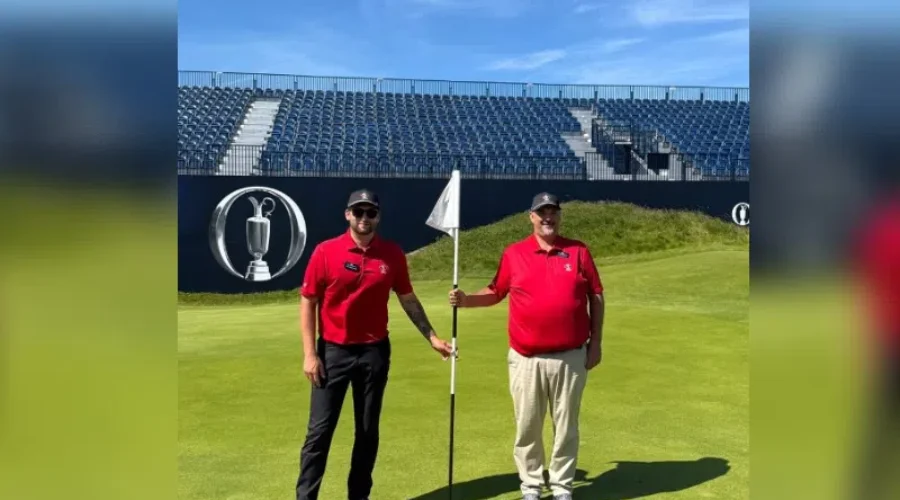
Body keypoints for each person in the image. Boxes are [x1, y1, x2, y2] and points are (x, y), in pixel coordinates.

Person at [295, 189, 454, 500]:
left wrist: (432, 336)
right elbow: (308, 299)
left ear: (378, 216)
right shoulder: (326, 251)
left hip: (374, 352)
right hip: (332, 352)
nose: (364, 218)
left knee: (367, 432)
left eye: (371, 213)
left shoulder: (392, 254)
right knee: (319, 433)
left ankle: (359, 496)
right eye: (359, 212)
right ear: (347, 215)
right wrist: (310, 354)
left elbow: (407, 297)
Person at [449, 192, 605, 500]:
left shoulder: (578, 251)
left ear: (560, 216)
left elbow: (596, 296)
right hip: (525, 358)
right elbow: (496, 291)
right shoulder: (514, 253)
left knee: (566, 427)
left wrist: (596, 342)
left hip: (570, 356)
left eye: (553, 212)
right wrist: (467, 300)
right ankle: (531, 486)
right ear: (531, 217)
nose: (547, 217)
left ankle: (562, 487)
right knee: (527, 427)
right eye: (541, 212)